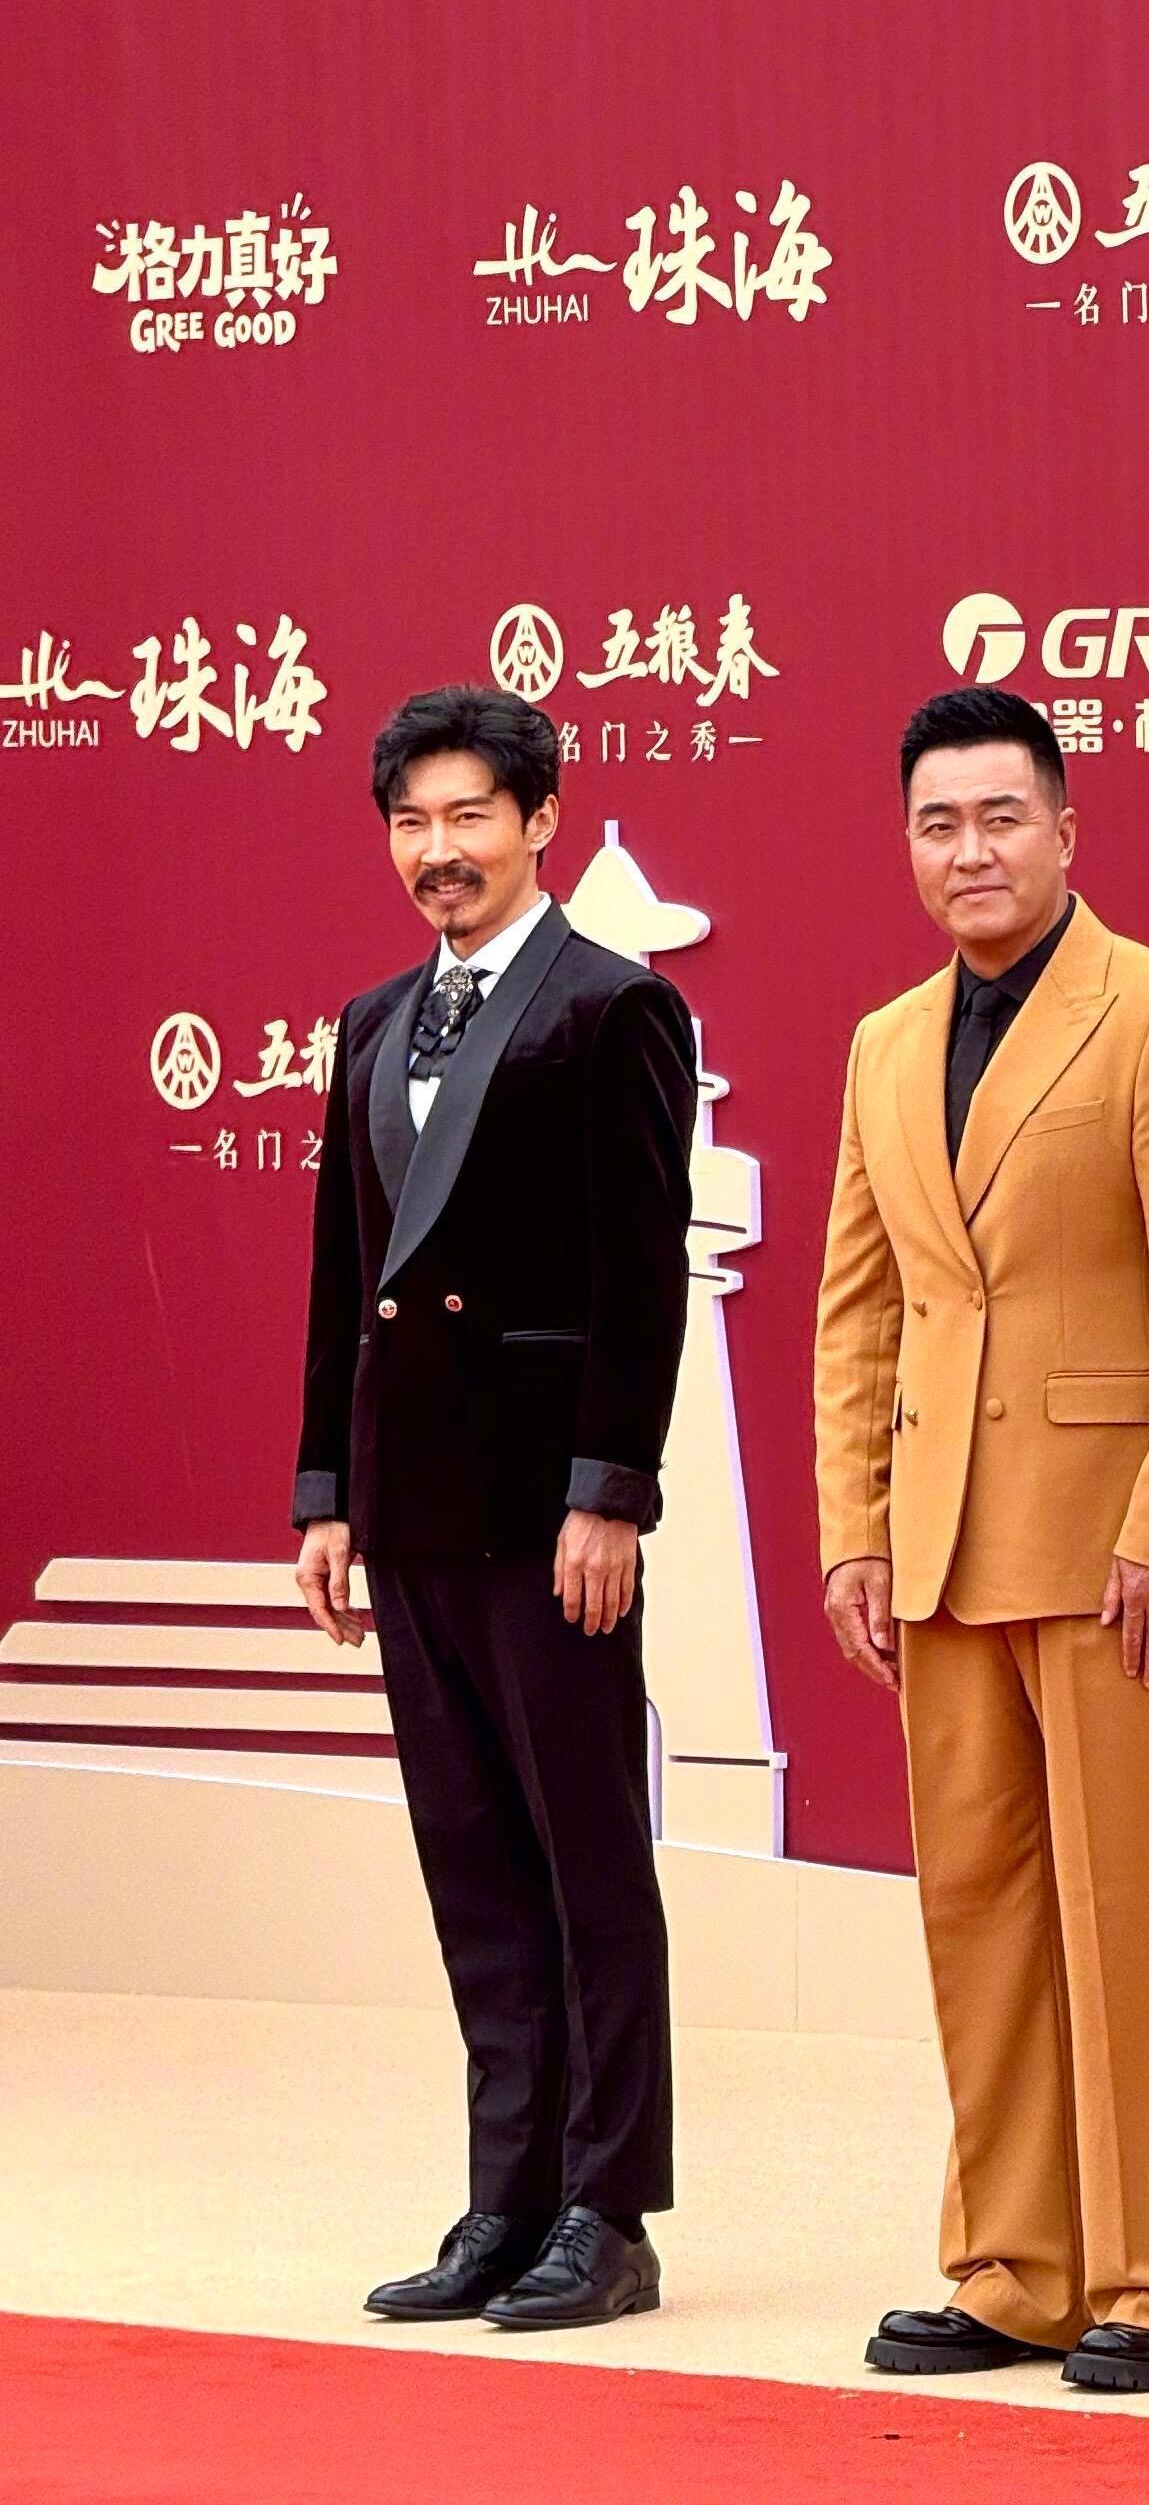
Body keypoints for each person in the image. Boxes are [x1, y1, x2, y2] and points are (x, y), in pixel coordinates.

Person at [814, 687, 1149, 2394]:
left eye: (1001, 816)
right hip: (940, 1547)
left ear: (1067, 831)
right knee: (986, 1914)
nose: (971, 851)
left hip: (1114, 1554)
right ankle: (1015, 2265)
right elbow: (858, 1311)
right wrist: (854, 1533)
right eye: (938, 823)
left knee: (1135, 1916)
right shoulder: (881, 1041)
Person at [291, 684, 698, 2331]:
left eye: (469, 816)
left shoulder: (613, 1006)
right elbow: (343, 1274)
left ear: (539, 822)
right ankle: (504, 2198)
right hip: (410, 1506)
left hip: (547, 1512)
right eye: (412, 822)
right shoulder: (372, 1018)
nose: (438, 850)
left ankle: (608, 2210)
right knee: (470, 1863)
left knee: (587, 1861)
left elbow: (642, 1271)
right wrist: (326, 1490)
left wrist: (611, 1493)